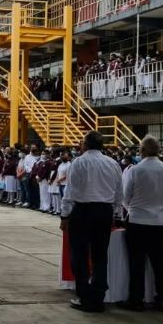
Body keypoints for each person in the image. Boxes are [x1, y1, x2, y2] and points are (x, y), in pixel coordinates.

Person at [60, 131, 122, 313]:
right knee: (100, 255)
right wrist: (116, 214)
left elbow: (70, 192)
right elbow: (119, 193)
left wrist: (65, 216)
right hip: (104, 211)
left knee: (79, 254)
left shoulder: (79, 162)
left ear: (85, 144)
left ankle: (84, 296)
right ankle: (98, 295)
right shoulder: (112, 164)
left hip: (83, 210)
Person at [122, 135, 163, 311]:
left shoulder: (135, 170)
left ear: (142, 150)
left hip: (137, 220)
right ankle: (162, 298)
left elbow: (125, 196)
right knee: (159, 263)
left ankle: (136, 300)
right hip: (160, 221)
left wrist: (132, 208)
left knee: (136, 263)